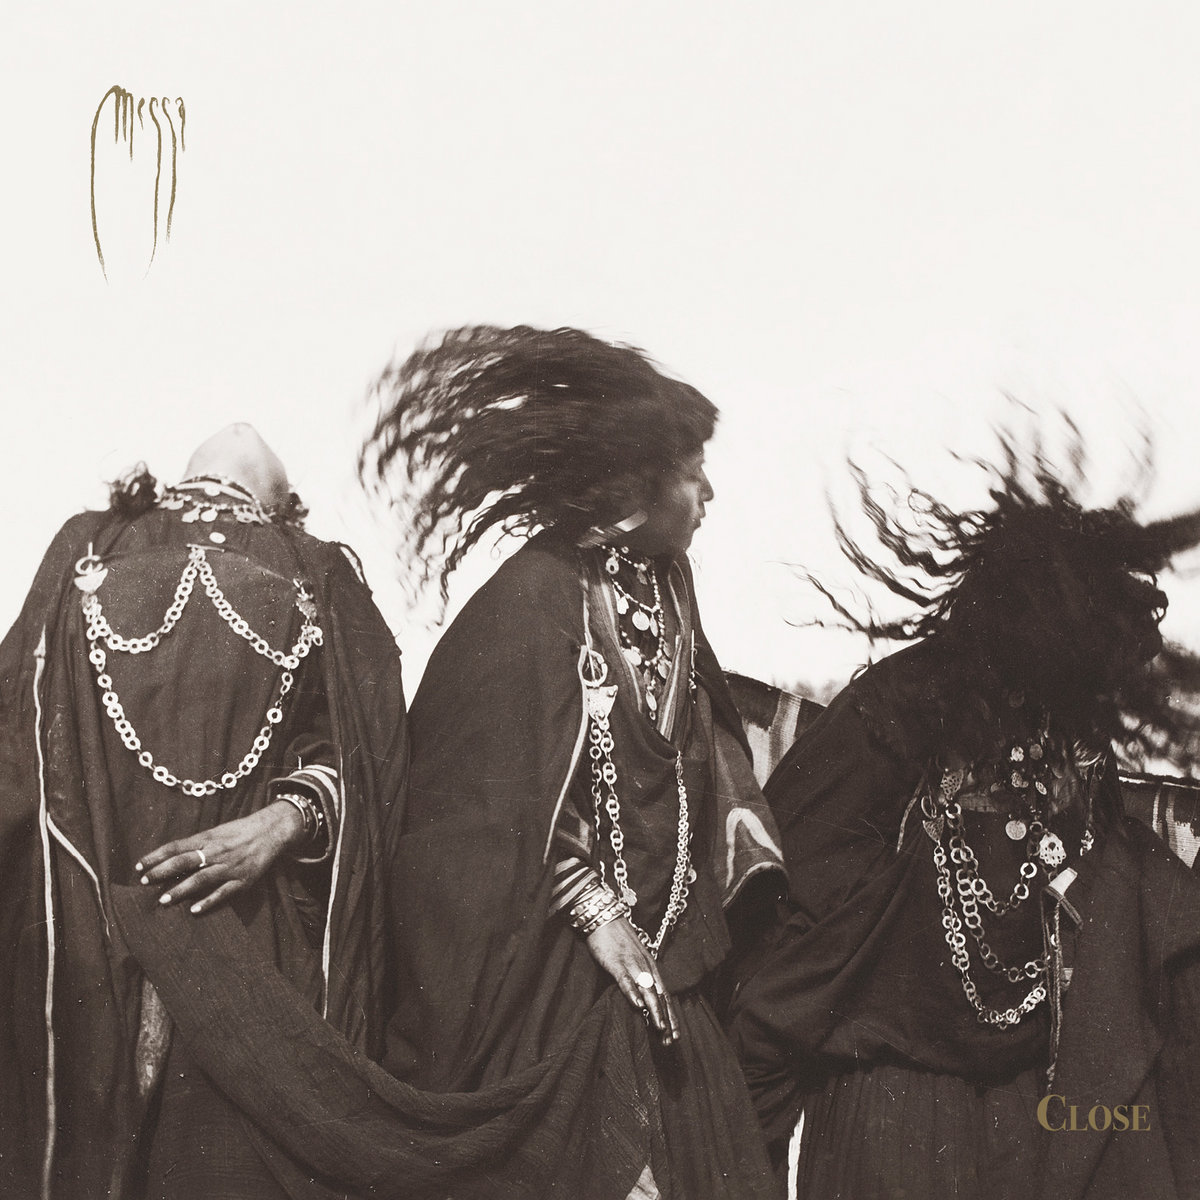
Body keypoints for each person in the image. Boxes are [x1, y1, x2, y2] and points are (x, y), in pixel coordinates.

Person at [729, 438, 1200, 1200]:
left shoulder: (1068, 728)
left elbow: (1114, 873)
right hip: (892, 1096)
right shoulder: (902, 705)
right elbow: (795, 883)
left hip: (1022, 1103)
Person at [0, 424, 408, 1200]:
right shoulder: (317, 567)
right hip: (245, 955)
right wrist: (286, 820)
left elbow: (16, 742)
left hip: (91, 946)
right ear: (285, 503)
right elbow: (378, 763)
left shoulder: (88, 544)